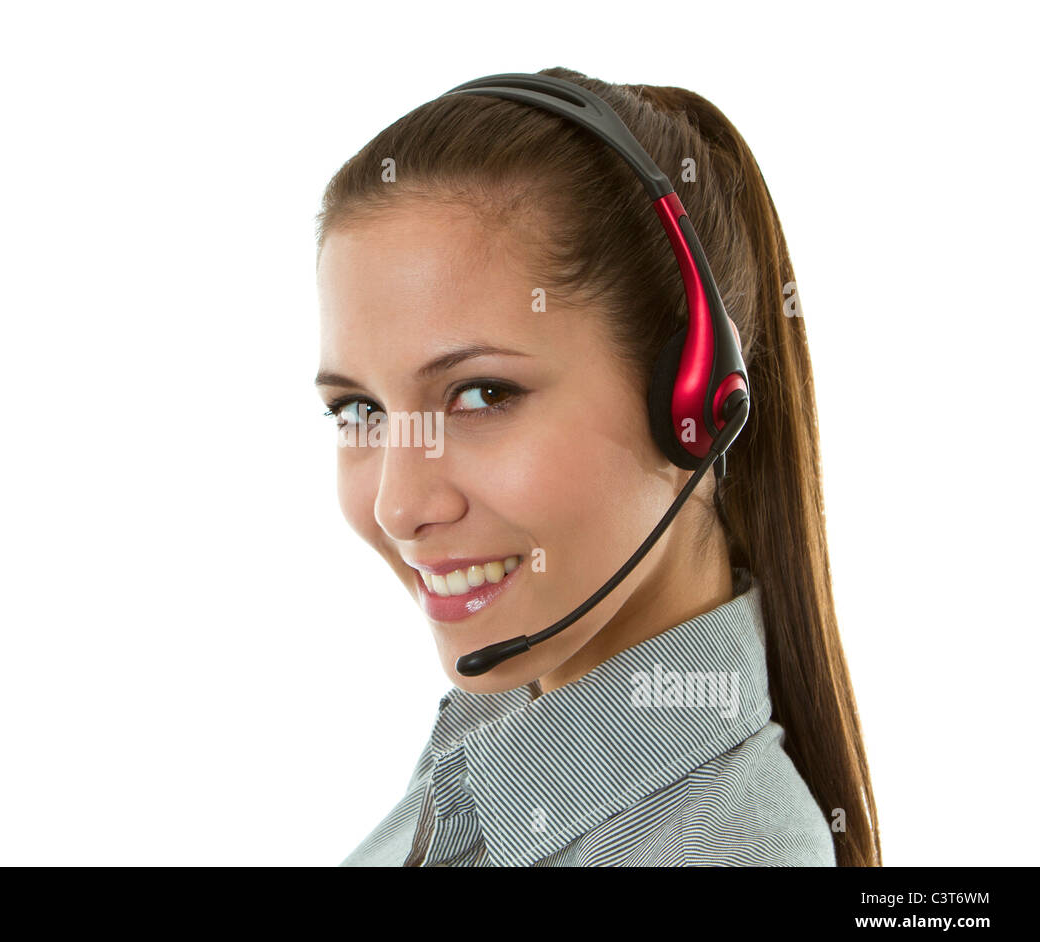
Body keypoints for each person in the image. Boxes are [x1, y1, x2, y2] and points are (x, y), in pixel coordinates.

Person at [312, 66, 880, 866]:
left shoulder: (717, 852)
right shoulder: (500, 753)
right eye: (359, 411)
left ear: (692, 407)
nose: (398, 506)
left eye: (480, 394)